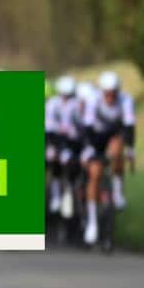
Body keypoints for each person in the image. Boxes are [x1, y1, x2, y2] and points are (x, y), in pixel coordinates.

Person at [81, 70, 136, 243]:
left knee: (117, 149)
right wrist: (88, 149)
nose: (111, 97)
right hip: (96, 138)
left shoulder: (126, 100)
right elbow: (87, 128)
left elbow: (129, 127)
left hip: (114, 135)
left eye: (114, 93)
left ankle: (118, 191)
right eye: (107, 93)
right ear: (102, 92)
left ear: (118, 91)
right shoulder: (93, 100)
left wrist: (130, 149)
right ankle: (92, 223)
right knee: (95, 174)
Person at [44, 76, 80, 216]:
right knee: (54, 162)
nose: (66, 99)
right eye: (64, 95)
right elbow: (49, 128)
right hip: (56, 141)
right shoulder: (53, 105)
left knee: (71, 166)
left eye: (69, 95)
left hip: (74, 144)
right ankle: (56, 196)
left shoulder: (77, 104)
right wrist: (51, 146)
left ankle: (70, 195)